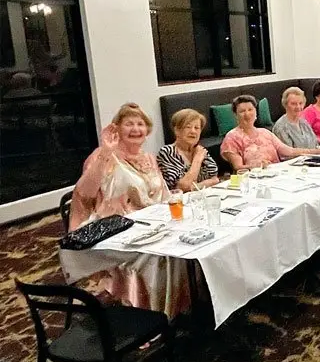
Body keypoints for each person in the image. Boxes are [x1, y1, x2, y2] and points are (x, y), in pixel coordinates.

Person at [69, 103, 188, 318]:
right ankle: (147, 315)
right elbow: (85, 193)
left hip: (149, 223)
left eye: (140, 124)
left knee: (187, 238)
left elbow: (163, 195)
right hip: (115, 227)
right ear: (117, 129)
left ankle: (180, 303)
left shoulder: (149, 158)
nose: (136, 129)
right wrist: (106, 152)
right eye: (129, 124)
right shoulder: (104, 157)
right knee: (154, 255)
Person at [221, 94, 320, 171]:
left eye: (250, 110)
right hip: (254, 180)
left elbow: (290, 151)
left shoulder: (265, 132)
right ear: (235, 115)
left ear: (256, 113)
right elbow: (238, 167)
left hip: (277, 175)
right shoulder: (232, 137)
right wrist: (255, 166)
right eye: (242, 111)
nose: (247, 114)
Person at [156, 109, 220, 191]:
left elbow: (215, 179)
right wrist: (197, 160)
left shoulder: (199, 150)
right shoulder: (167, 152)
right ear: (177, 131)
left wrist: (194, 187)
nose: (193, 131)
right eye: (188, 127)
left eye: (197, 128)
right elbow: (183, 187)